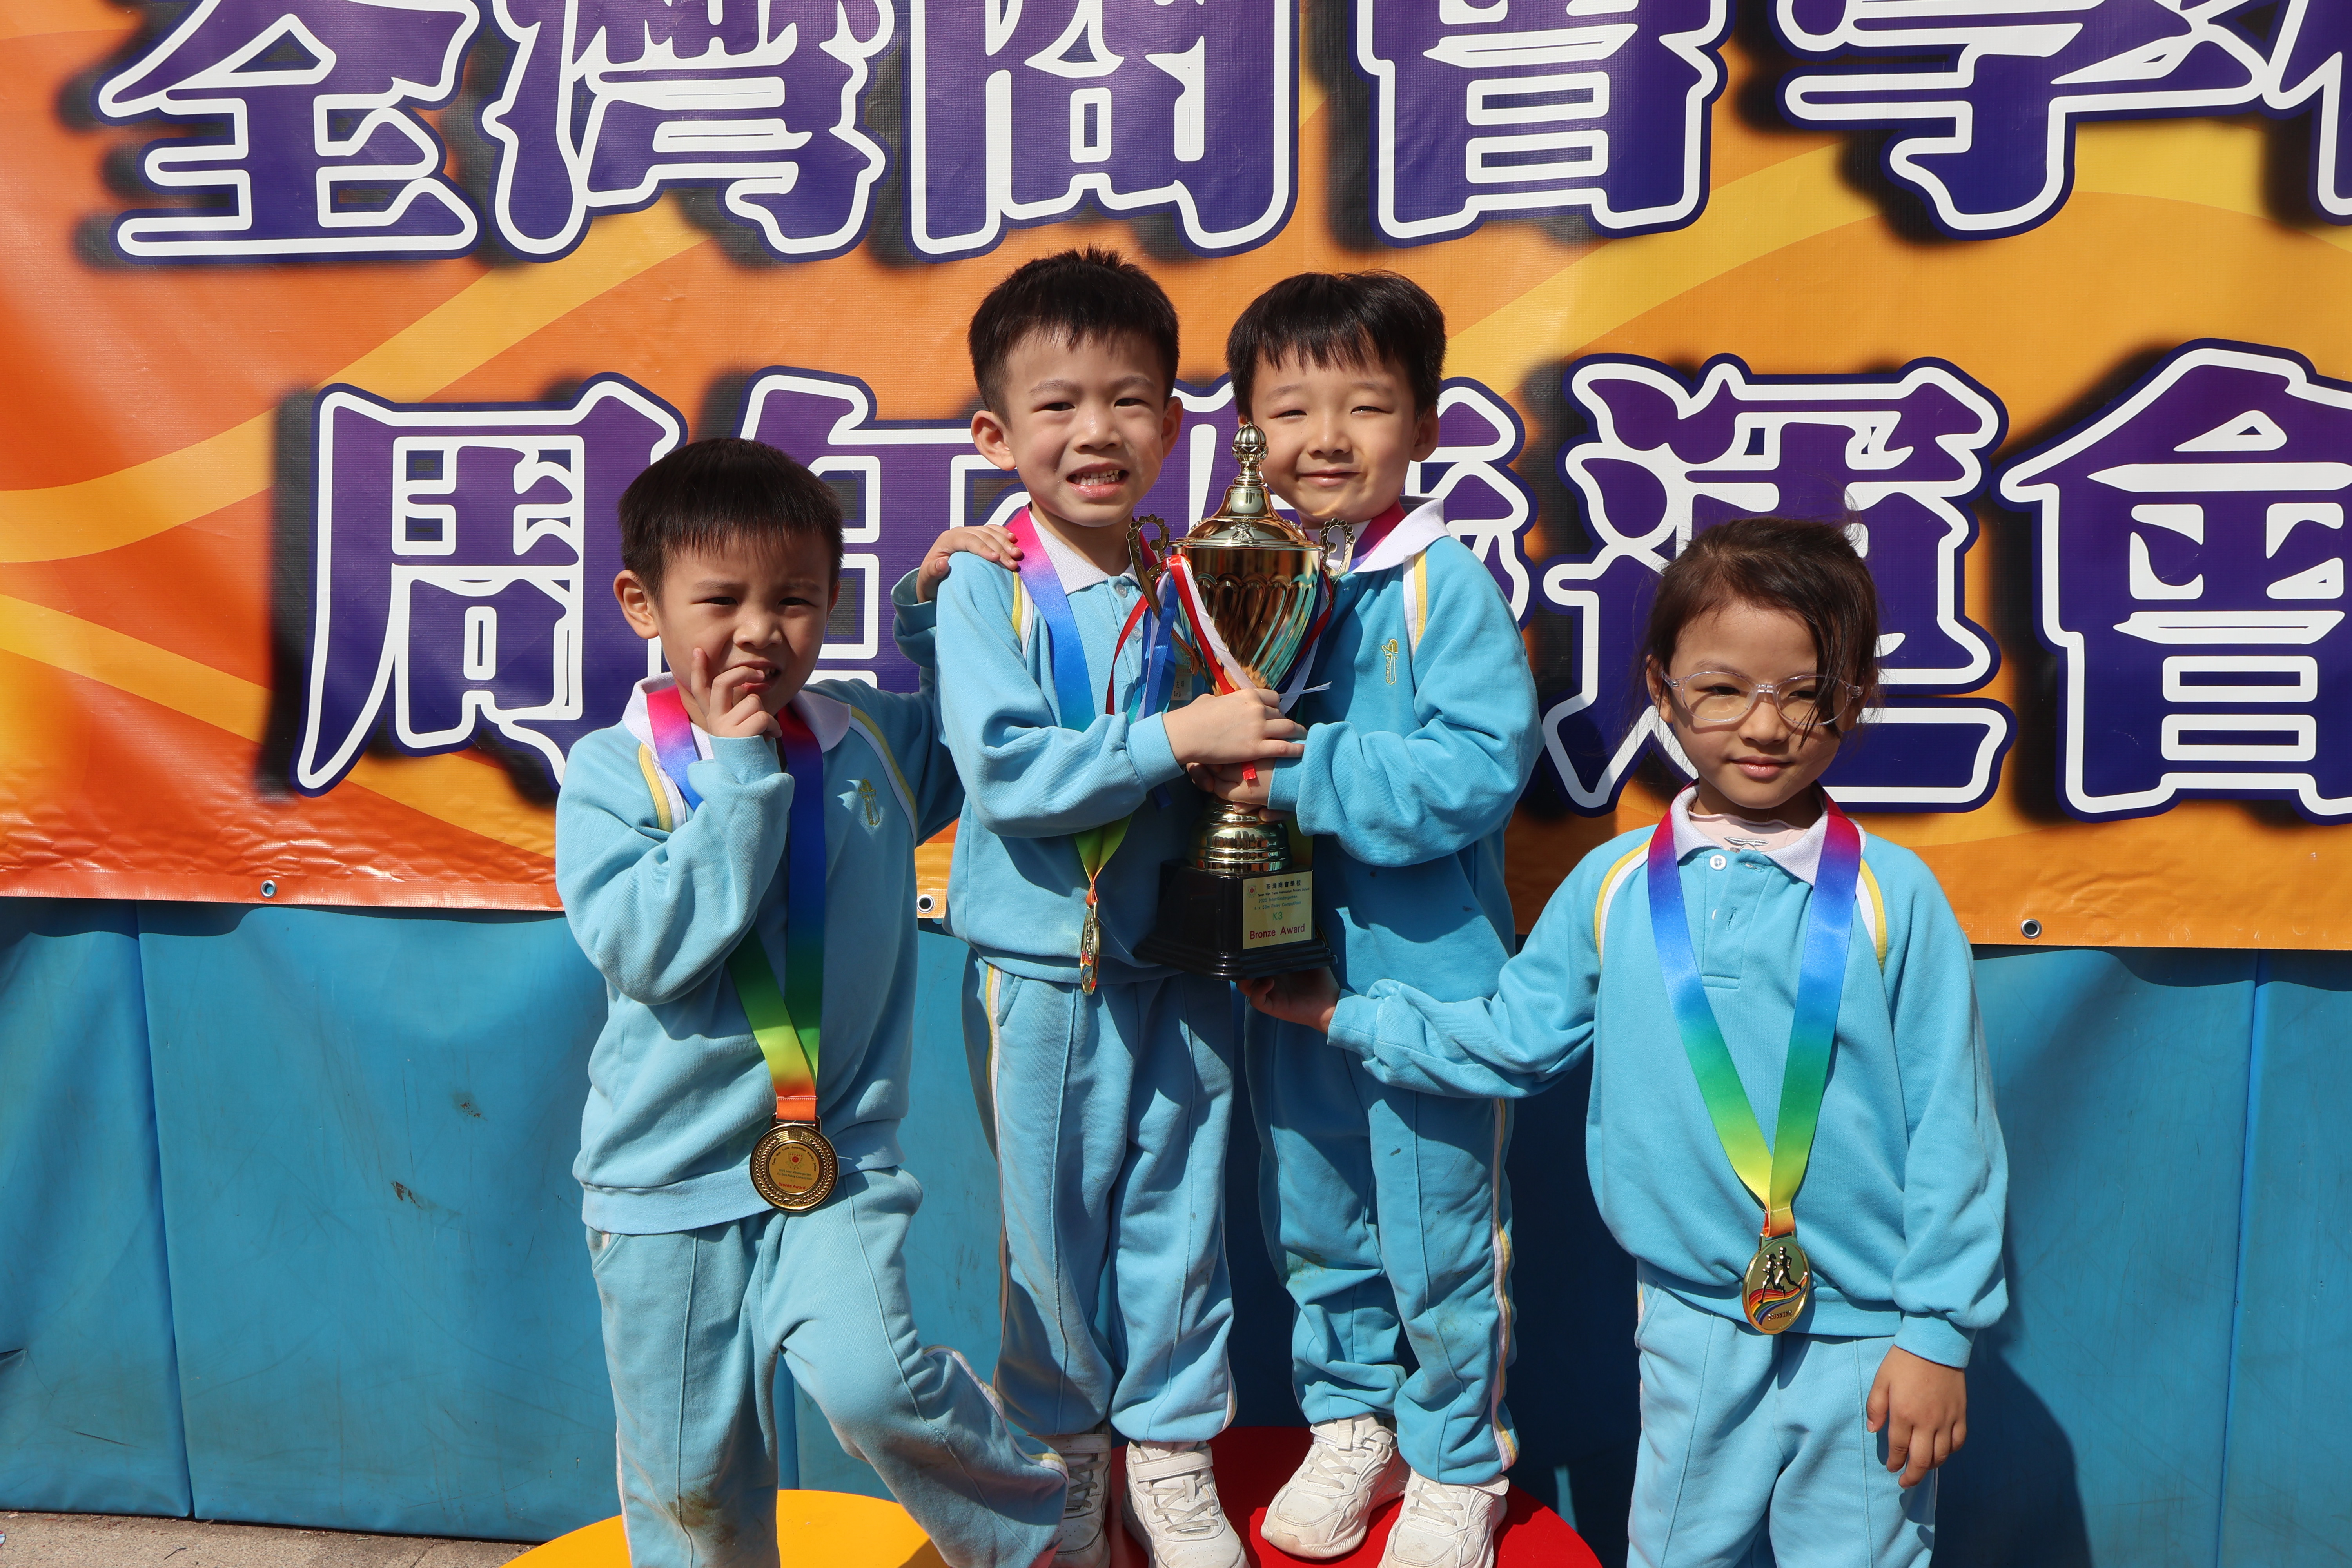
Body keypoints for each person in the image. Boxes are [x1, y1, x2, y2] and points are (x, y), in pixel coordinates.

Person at [1245, 518, 2009, 1567]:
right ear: (1661, 689)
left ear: (1858, 694)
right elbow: (1511, 1040)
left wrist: (1936, 1333)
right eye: (1722, 688)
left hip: (1871, 1339)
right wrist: (1346, 1016)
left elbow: (1955, 1132)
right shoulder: (1613, 888)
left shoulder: (1894, 897)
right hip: (1688, 1322)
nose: (1767, 725)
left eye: (1808, 693)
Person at [555, 437, 1062, 1568]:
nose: (758, 632)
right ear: (642, 604)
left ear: (831, 603)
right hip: (664, 1184)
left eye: (793, 600)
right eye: (719, 601)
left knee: (880, 1388)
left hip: (836, 1161)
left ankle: (1042, 1534)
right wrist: (742, 783)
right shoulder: (615, 772)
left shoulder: (863, 735)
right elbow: (648, 952)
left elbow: (984, 743)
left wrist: (939, 612)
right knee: (689, 1484)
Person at [929, 248, 1305, 1568]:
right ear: (997, 436)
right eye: (1059, 405)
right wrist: (1181, 738)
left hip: (1184, 957)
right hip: (1043, 974)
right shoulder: (983, 585)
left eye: (1130, 400)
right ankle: (1064, 1455)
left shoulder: (1194, 575)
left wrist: (1238, 747)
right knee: (1050, 1236)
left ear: (1176, 424)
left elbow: (1235, 730)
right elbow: (1008, 772)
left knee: (1182, 1218)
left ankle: (1174, 1452)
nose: (1097, 431)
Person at [1183, 271, 1540, 1568]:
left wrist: (1300, 773)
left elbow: (1480, 769)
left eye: (1366, 406)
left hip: (1432, 994)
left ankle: (1457, 1459)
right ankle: (1352, 1422)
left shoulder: (1444, 586)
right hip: (1288, 974)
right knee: (1316, 1217)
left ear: (1425, 425)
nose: (1326, 438)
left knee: (1441, 1232)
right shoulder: (1238, 573)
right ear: (1248, 433)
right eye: (1291, 410)